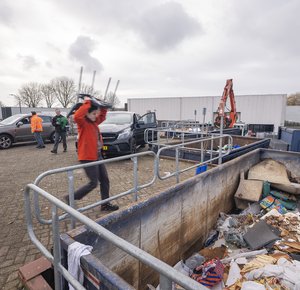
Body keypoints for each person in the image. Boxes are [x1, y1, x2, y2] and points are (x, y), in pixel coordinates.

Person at [65, 98, 119, 211]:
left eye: (96, 113)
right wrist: (88, 102)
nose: (96, 115)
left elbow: (102, 117)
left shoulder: (94, 121)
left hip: (97, 155)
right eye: (93, 113)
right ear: (87, 113)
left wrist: (103, 107)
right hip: (87, 158)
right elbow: (77, 116)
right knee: (93, 183)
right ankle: (71, 197)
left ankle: (105, 204)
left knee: (105, 180)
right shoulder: (82, 123)